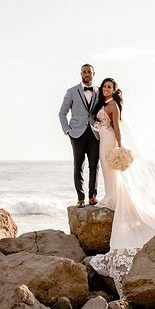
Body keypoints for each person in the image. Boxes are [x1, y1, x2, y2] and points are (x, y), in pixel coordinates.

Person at [89, 77, 155, 297]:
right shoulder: (103, 104)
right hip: (103, 140)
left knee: (112, 172)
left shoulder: (112, 105)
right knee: (107, 172)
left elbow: (116, 126)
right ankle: (111, 195)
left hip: (110, 141)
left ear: (115, 91)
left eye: (110, 87)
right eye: (105, 86)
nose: (106, 89)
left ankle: (115, 197)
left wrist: (119, 146)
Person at [58, 64, 100, 208]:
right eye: (84, 72)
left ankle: (92, 196)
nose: (87, 74)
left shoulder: (99, 91)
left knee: (94, 166)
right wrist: (67, 130)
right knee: (78, 166)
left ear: (93, 74)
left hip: (95, 133)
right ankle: (80, 197)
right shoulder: (71, 91)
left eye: (89, 72)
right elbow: (62, 113)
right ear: (80, 74)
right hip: (77, 134)